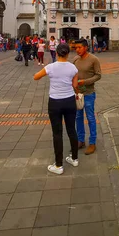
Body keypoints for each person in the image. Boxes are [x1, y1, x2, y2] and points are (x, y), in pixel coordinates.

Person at [34, 43, 79, 175]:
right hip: (70, 100)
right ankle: (74, 158)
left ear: (57, 53)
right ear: (68, 54)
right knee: (72, 129)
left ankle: (59, 165)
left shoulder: (51, 67)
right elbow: (75, 85)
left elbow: (36, 77)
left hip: (55, 102)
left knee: (57, 132)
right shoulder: (73, 68)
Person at [73, 39, 102, 155]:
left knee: (90, 118)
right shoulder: (75, 59)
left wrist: (84, 82)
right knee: (78, 117)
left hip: (89, 93)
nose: (77, 50)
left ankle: (92, 142)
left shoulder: (94, 59)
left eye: (79, 47)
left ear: (85, 47)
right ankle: (80, 140)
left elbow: (98, 76)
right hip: (77, 94)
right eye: (76, 48)